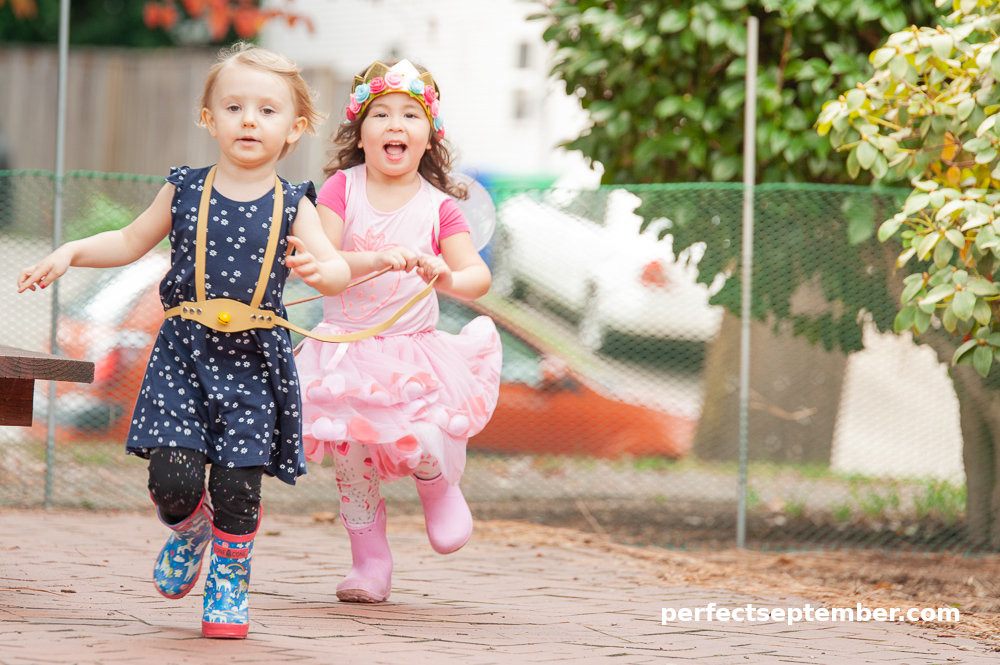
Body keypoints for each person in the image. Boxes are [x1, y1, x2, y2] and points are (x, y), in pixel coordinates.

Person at [17, 43, 354, 639]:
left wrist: (326, 273)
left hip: (255, 360)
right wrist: (71, 251)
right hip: (185, 354)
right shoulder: (185, 190)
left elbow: (335, 267)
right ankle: (189, 527)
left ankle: (230, 573)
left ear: (294, 128)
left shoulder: (295, 205)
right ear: (209, 118)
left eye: (267, 110)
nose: (249, 119)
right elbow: (127, 241)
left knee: (236, 484)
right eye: (234, 106)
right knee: (172, 481)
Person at [294, 59, 502, 603]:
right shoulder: (342, 189)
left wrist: (446, 273)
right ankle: (370, 564)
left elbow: (477, 277)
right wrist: (379, 258)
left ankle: (439, 489)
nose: (394, 124)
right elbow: (328, 256)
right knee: (353, 461)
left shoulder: (440, 207)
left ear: (428, 135)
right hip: (345, 351)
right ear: (359, 134)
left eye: (410, 114)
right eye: (380, 114)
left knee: (425, 433)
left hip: (413, 354)